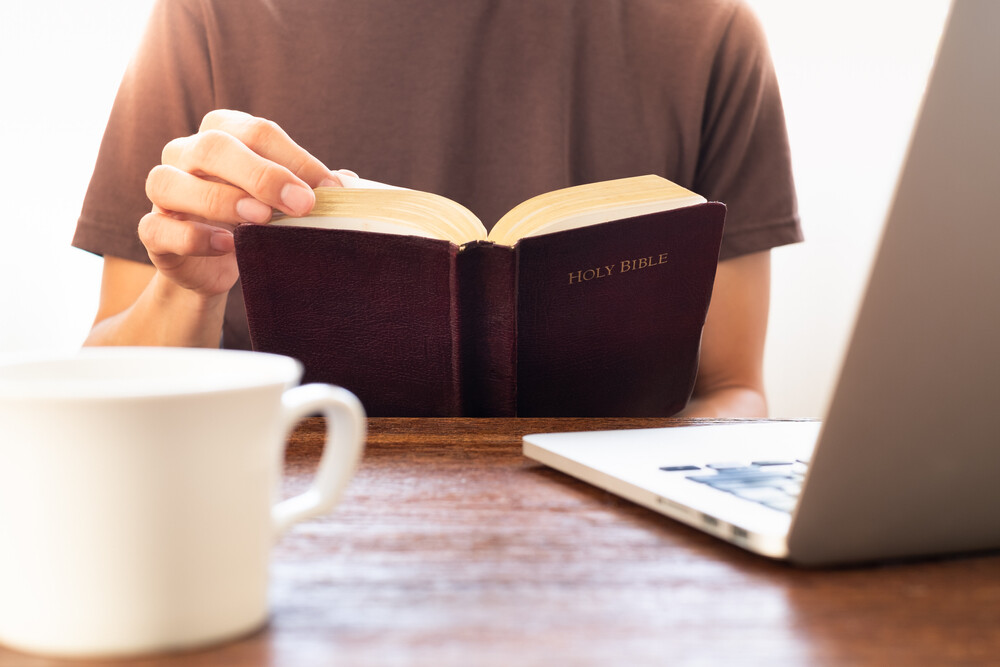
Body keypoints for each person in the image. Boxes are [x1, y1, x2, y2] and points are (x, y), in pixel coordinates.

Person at [74, 0, 801, 417]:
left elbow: (731, 387)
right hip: (281, 540)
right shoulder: (208, 17)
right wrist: (183, 293)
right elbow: (99, 402)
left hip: (603, 557)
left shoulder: (708, 31)